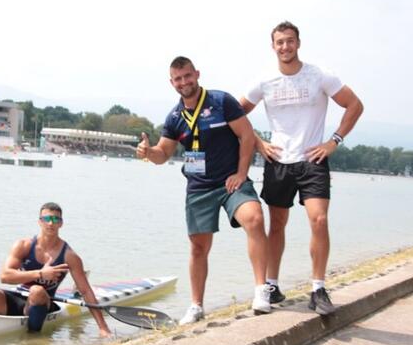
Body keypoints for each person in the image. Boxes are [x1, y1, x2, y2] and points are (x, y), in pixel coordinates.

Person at [239, 21, 364, 315]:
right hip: (278, 161)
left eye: (290, 41)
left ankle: (318, 288)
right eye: (280, 42)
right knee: (277, 225)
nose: (285, 47)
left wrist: (333, 142)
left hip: (313, 160)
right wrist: (258, 142)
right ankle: (272, 285)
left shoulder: (319, 75)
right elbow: (236, 113)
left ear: (298, 43)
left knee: (319, 220)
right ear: (273, 46)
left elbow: (355, 105)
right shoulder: (264, 81)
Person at [136, 56, 270, 324]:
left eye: (187, 76)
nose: (184, 82)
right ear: (172, 82)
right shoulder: (174, 117)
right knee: (198, 248)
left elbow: (246, 135)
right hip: (199, 187)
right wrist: (148, 152)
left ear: (197, 74)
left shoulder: (222, 102)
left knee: (254, 219)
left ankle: (261, 290)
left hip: (231, 181)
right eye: (178, 79)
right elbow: (164, 153)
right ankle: (196, 306)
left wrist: (241, 173)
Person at [0, 202, 112, 336]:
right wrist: (40, 273)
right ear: (39, 222)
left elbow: (86, 291)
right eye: (46, 218)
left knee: (37, 291)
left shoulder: (70, 256)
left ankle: (32, 341)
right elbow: (5, 276)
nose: (50, 223)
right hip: (18, 298)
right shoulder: (23, 245)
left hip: (44, 303)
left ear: (61, 224)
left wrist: (102, 327)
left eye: (55, 219)